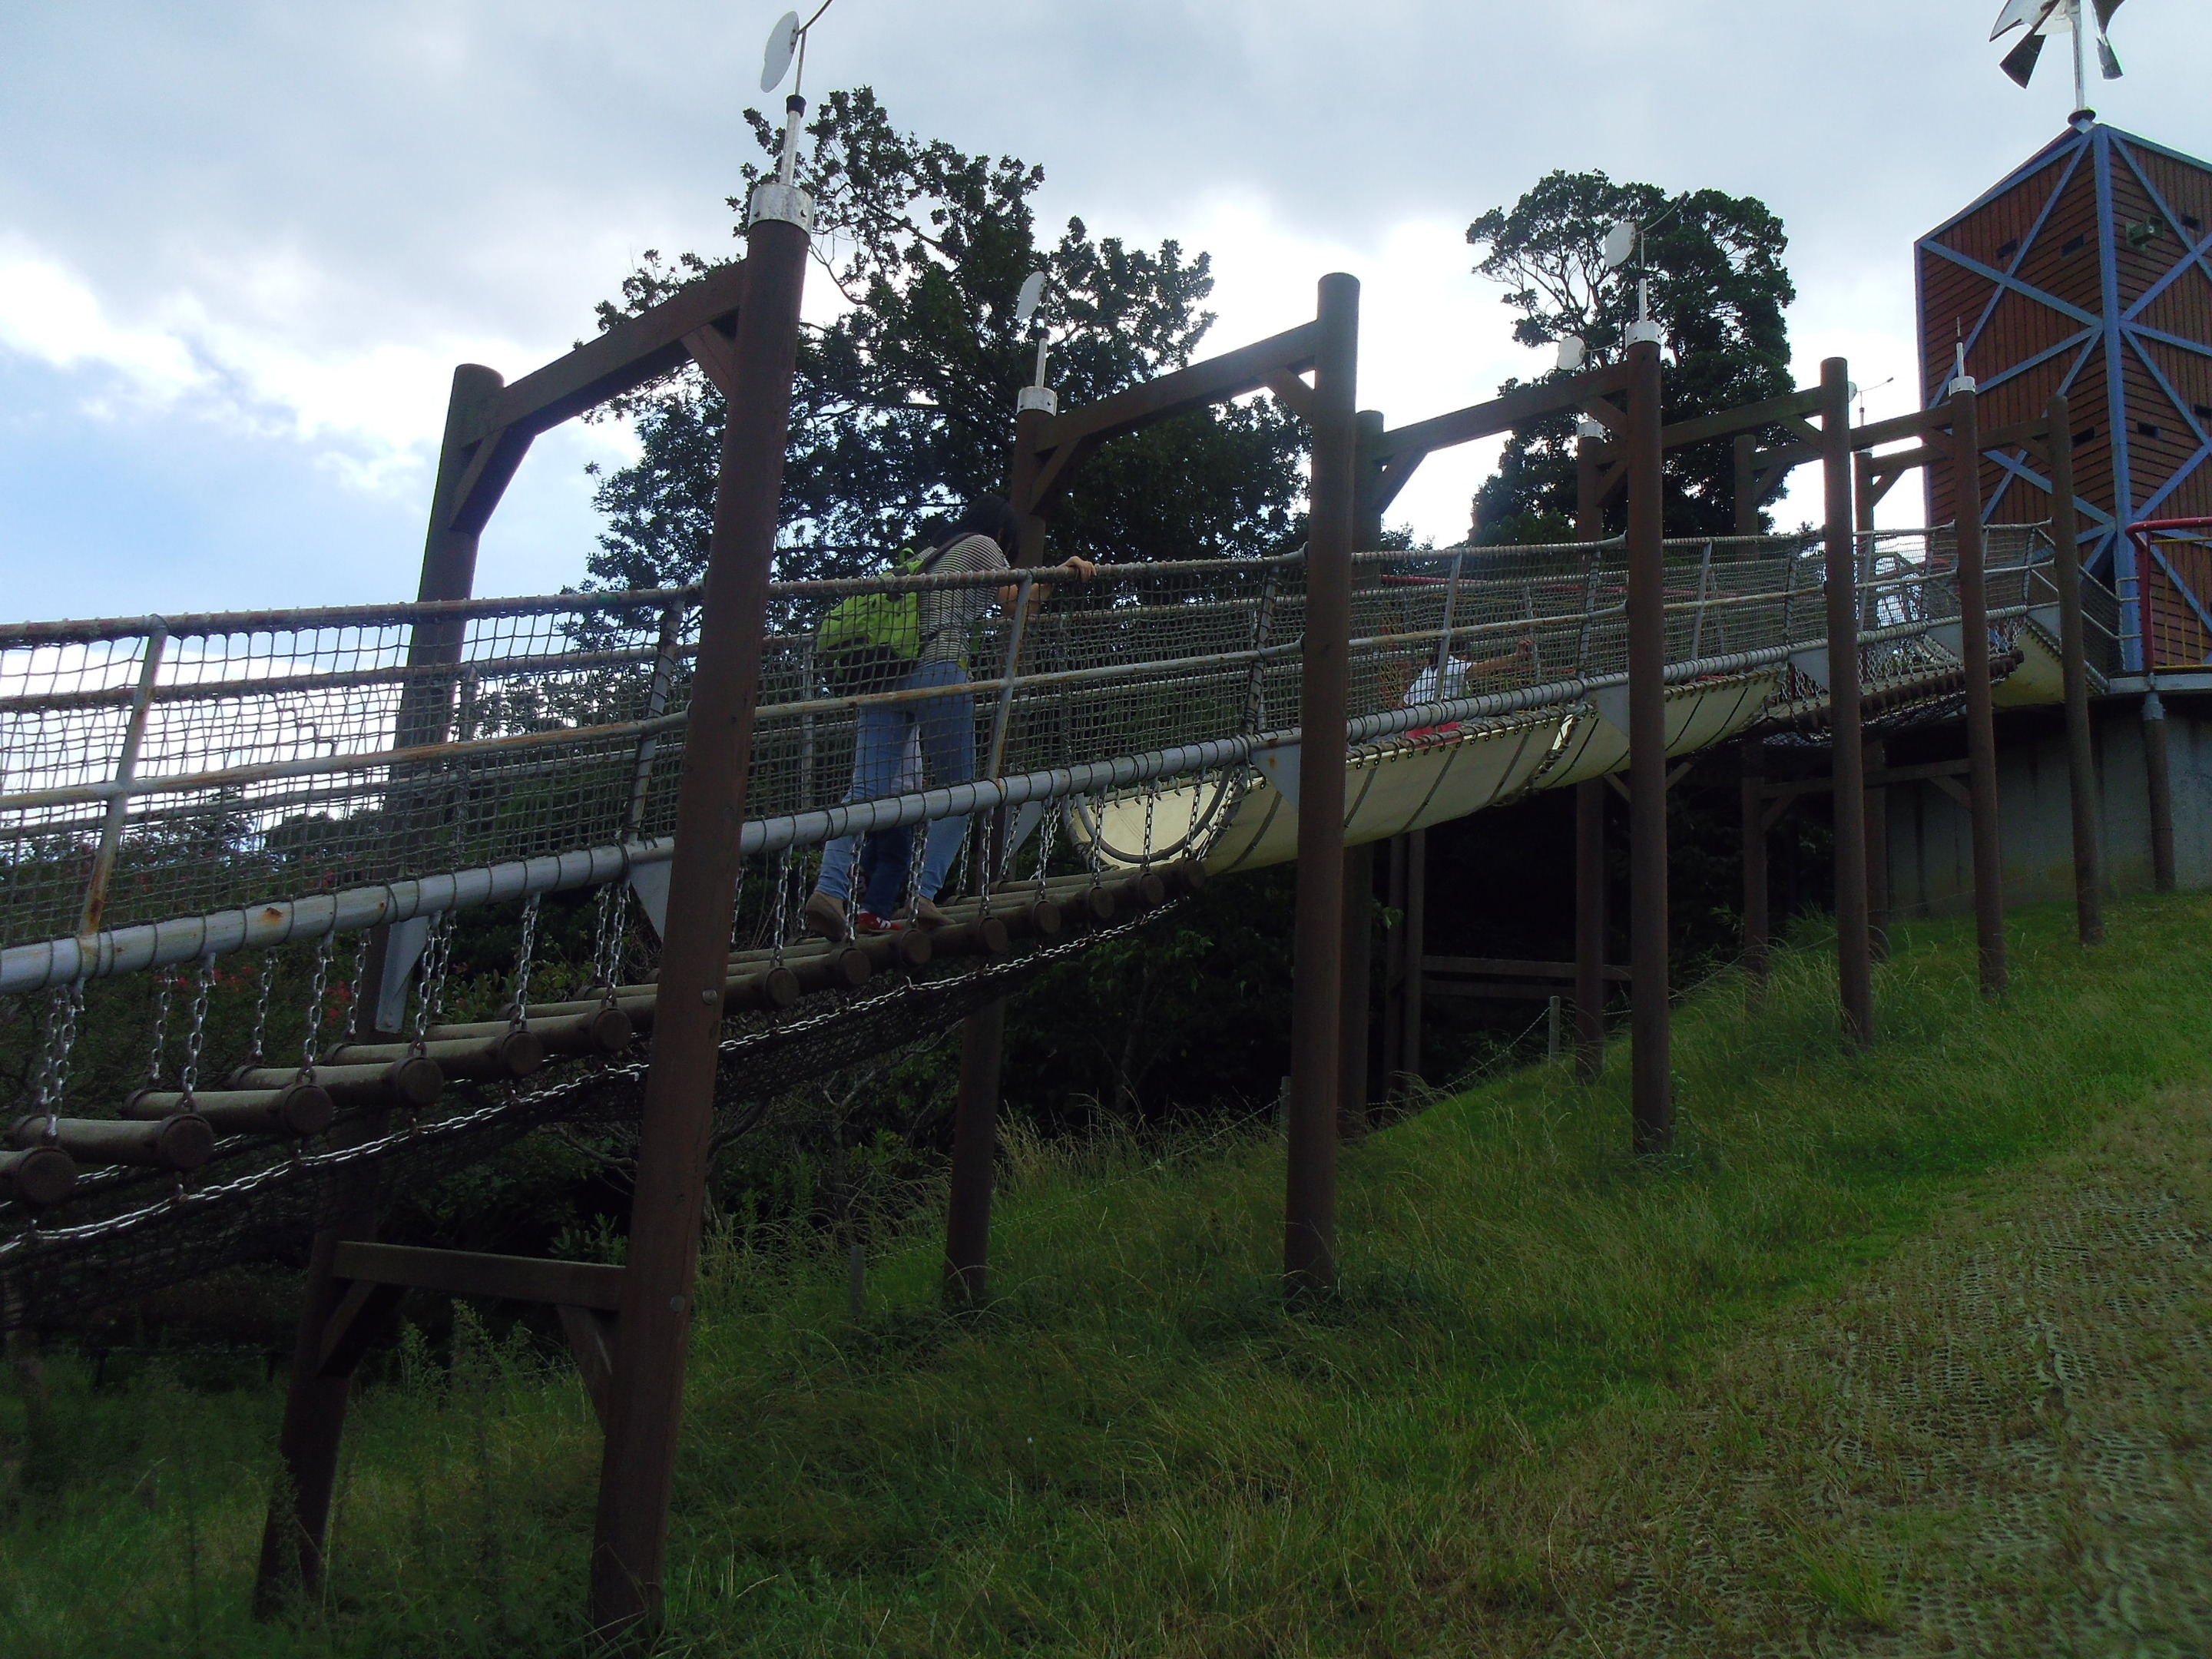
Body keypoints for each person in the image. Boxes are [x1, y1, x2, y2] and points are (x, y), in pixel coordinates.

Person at [804, 498, 1095, 939]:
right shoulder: (984, 545)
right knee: (962, 791)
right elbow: (1018, 603)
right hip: (938, 670)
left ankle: (828, 890)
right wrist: (1061, 574)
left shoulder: (922, 559)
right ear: (1004, 535)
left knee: (866, 791)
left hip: (880, 676)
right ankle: (922, 896)